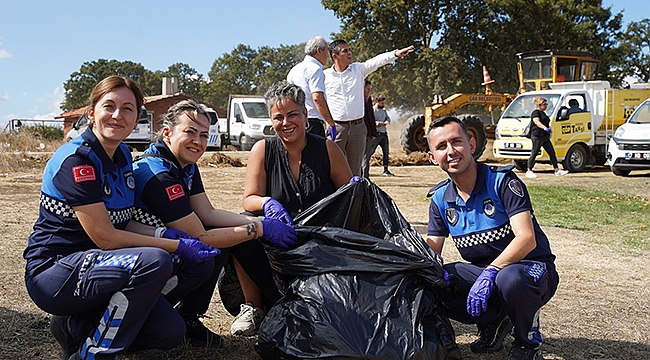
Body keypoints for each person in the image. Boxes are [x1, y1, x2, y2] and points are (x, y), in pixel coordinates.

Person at [23, 76, 220, 360]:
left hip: (102, 266)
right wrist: (172, 245)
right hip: (56, 270)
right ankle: (93, 354)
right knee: (155, 261)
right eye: (109, 106)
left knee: (168, 332)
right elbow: (105, 236)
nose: (118, 115)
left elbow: (122, 220)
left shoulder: (123, 155)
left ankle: (80, 324)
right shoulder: (77, 160)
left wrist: (162, 236)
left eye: (128, 108)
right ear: (91, 112)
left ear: (137, 117)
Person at [131, 100, 297, 343]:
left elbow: (207, 213)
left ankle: (188, 315)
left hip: (164, 247)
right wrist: (259, 228)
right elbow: (200, 235)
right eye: (189, 132)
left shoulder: (184, 164)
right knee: (167, 333)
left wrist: (258, 216)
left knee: (228, 235)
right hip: (145, 258)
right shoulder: (158, 173)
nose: (198, 142)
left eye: (204, 135)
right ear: (167, 133)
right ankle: (148, 314)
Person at [425, 116, 559, 360]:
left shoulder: (502, 181)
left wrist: (491, 271)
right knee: (437, 281)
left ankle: (527, 343)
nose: (451, 151)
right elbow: (431, 251)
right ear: (432, 157)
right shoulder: (439, 200)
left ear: (472, 145)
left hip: (531, 270)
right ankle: (495, 322)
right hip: (487, 274)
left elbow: (526, 238)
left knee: (510, 279)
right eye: (442, 146)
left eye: (457, 142)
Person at [324, 39, 414, 176]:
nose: (350, 53)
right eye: (345, 51)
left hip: (358, 129)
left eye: (349, 49)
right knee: (332, 168)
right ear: (334, 56)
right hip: (337, 129)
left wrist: (395, 54)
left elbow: (377, 61)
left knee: (355, 171)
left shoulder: (358, 70)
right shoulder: (325, 77)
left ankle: (354, 197)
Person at [286, 35, 337, 140]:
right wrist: (331, 123)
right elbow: (317, 98)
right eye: (327, 51)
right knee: (315, 155)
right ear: (319, 50)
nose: (328, 56)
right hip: (313, 121)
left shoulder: (294, 70)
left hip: (297, 120)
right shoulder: (316, 69)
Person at [526, 97, 568, 178]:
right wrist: (544, 128)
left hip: (544, 136)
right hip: (537, 136)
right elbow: (536, 122)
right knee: (534, 152)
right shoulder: (536, 113)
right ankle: (529, 170)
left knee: (551, 152)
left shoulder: (543, 113)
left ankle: (557, 170)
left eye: (546, 104)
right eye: (544, 104)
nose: (546, 106)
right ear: (539, 105)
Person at [363, 94, 393, 177]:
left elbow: (388, 118)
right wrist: (380, 124)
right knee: (369, 152)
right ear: (377, 101)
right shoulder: (372, 110)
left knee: (386, 152)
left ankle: (386, 170)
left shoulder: (383, 110)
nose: (383, 105)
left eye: (384, 103)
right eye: (382, 103)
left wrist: (387, 121)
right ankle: (364, 170)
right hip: (376, 135)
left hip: (384, 134)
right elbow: (371, 121)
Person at [361, 79, 378, 177]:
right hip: (366, 131)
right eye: (367, 88)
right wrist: (373, 132)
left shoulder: (355, 97)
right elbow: (370, 117)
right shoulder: (367, 99)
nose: (369, 91)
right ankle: (365, 177)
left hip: (356, 130)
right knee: (365, 156)